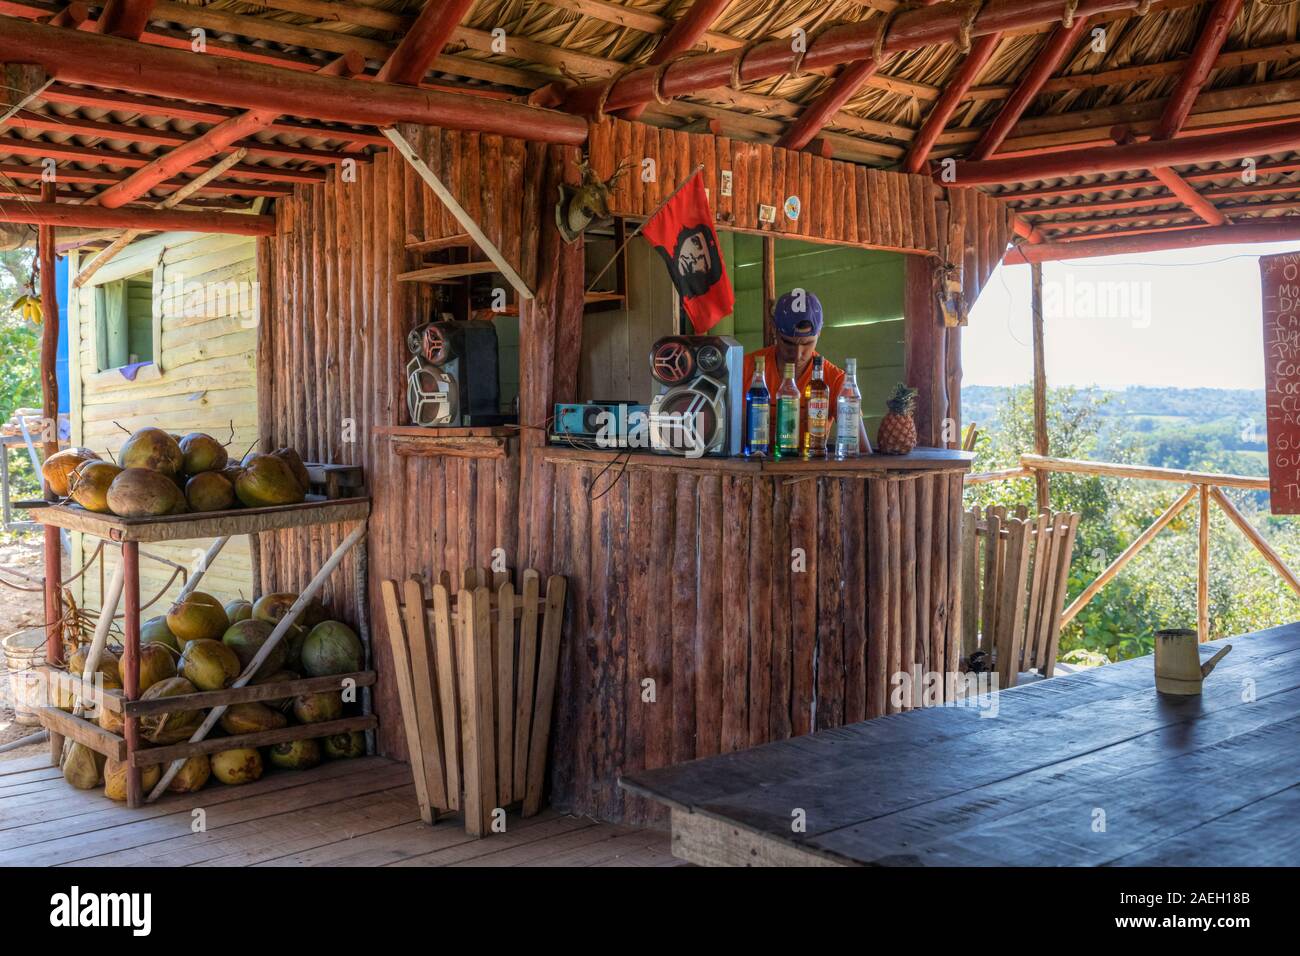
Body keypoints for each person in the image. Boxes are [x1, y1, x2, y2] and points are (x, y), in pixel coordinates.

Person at [742, 289, 872, 452]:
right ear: (774, 328)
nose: (797, 355)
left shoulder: (836, 380)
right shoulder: (746, 368)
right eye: (789, 343)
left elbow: (863, 452)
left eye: (807, 343)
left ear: (820, 332)